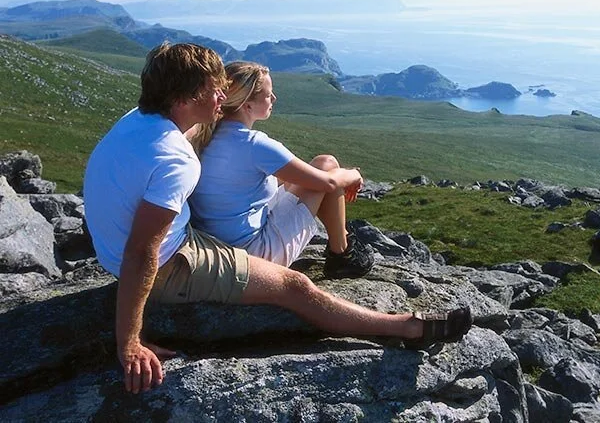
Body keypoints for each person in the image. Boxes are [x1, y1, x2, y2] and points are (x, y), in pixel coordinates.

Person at [83, 43, 472, 395]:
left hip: (139, 249)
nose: (223, 97)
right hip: (170, 264)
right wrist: (129, 342)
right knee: (296, 287)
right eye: (215, 90)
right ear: (187, 97)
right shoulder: (175, 159)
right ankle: (408, 327)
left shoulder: (138, 119)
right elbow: (142, 252)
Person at [187, 60, 371, 278]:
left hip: (214, 249)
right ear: (247, 105)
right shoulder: (254, 144)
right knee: (327, 165)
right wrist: (355, 175)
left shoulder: (204, 135)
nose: (273, 99)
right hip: (254, 256)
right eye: (267, 95)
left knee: (316, 171)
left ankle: (341, 249)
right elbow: (329, 183)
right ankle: (342, 254)